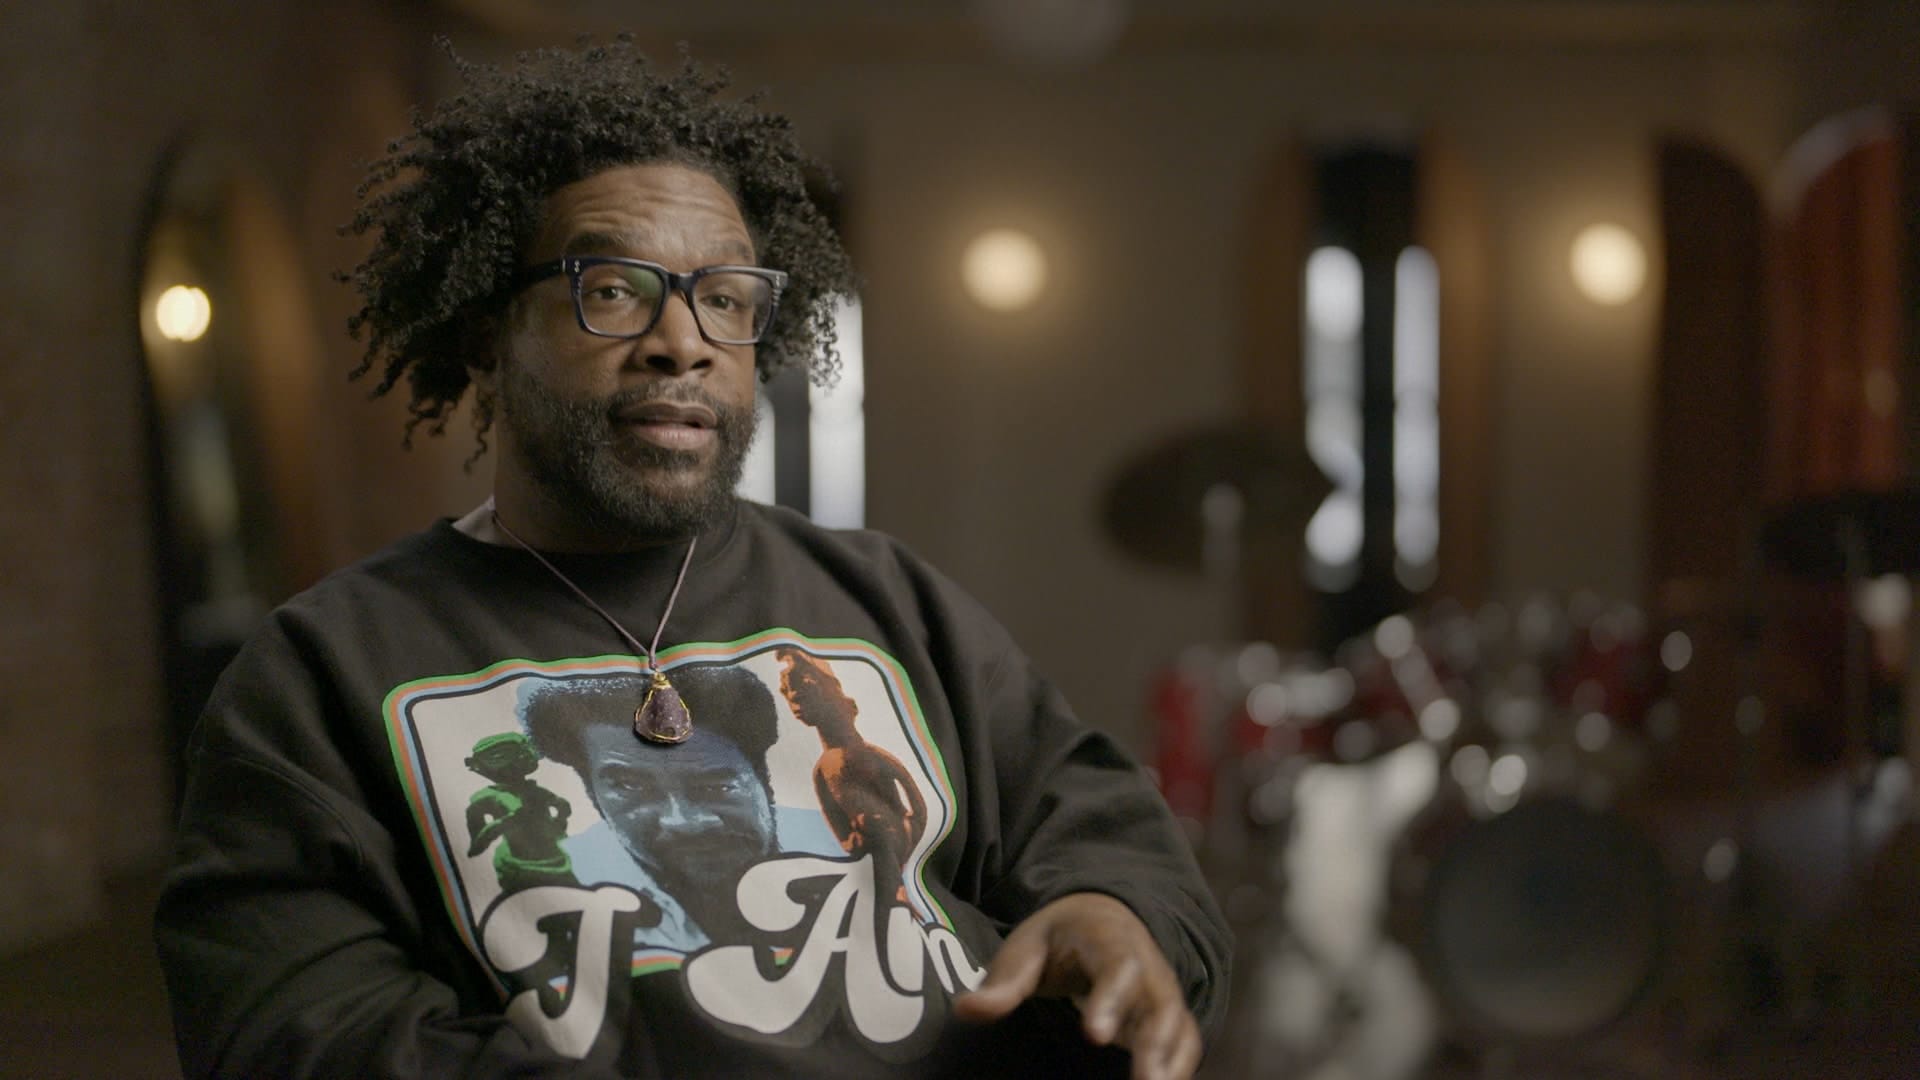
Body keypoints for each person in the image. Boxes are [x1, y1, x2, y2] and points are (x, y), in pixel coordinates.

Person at [155, 37, 1230, 1080]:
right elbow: (295, 1030)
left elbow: (1108, 832)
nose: (685, 342)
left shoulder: (892, 603)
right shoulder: (325, 672)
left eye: (724, 298)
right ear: (488, 331)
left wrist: (1112, 913)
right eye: (614, 289)